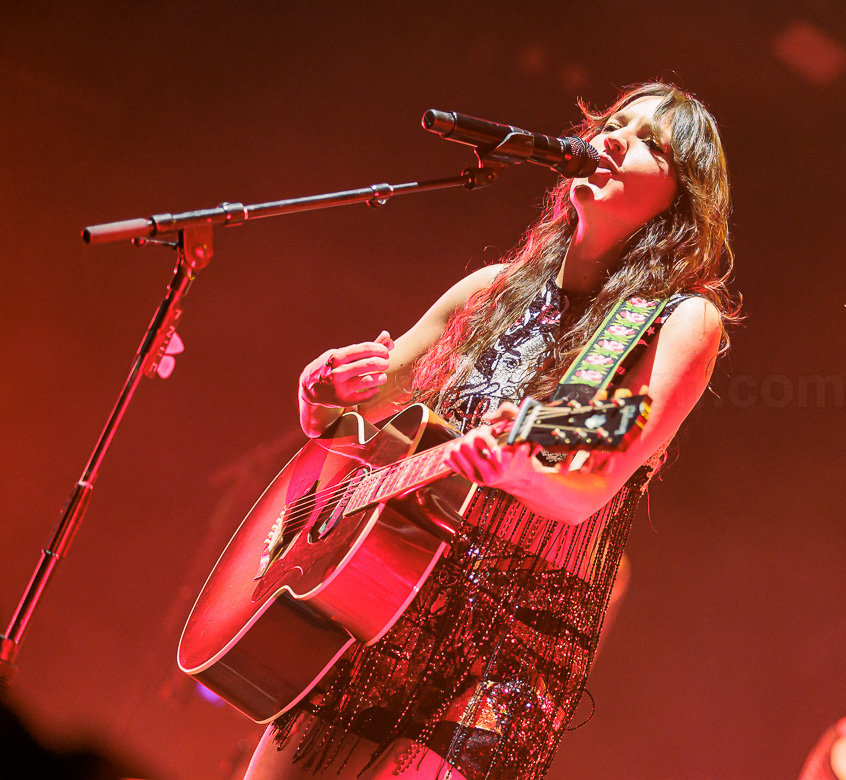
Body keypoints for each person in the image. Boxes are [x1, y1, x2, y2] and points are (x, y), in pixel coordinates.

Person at [242, 81, 738, 780]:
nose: (613, 139)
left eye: (648, 142)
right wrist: (318, 400)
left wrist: (522, 470)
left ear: (679, 200)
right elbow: (350, 424)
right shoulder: (489, 290)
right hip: (382, 593)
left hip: (510, 642)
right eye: (612, 124)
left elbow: (590, 486)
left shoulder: (679, 320)